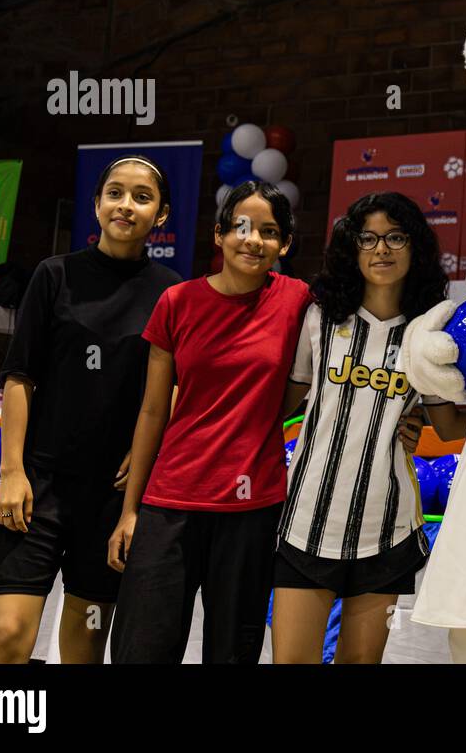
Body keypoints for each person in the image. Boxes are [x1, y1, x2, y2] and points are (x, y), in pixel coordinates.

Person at [0, 156, 178, 663]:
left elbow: (174, 390)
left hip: (111, 499)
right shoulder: (54, 275)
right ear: (96, 205)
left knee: (87, 639)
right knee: (7, 635)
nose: (125, 205)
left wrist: (145, 455)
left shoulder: (171, 293)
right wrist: (11, 472)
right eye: (114, 193)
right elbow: (20, 376)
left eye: (141, 197)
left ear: (160, 215)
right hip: (38, 487)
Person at [107, 180, 310, 663]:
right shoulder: (177, 302)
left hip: (251, 508)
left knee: (233, 653)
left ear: (283, 244)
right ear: (218, 235)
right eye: (241, 227)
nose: (253, 240)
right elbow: (154, 410)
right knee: (142, 650)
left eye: (269, 231)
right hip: (170, 502)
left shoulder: (299, 301)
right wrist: (130, 511)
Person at [272, 192, 466, 664]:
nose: (381, 249)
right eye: (369, 238)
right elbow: (280, 405)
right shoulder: (321, 317)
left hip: (387, 531)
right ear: (352, 247)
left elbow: (445, 427)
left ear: (415, 247)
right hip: (306, 519)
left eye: (395, 237)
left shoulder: (427, 334)